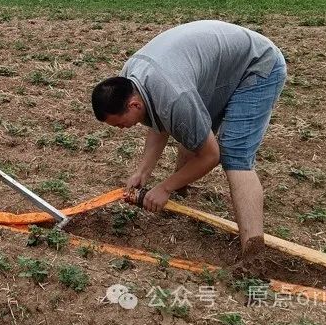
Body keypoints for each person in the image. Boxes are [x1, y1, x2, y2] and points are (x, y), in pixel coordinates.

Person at [91, 20, 286, 261]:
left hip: (257, 66)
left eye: (119, 123)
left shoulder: (175, 97)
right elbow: (159, 120)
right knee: (187, 127)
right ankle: (181, 191)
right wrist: (143, 171)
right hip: (217, 69)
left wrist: (164, 187)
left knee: (234, 154)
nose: (121, 129)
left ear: (133, 105)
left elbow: (211, 156)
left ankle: (254, 253)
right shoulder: (130, 80)